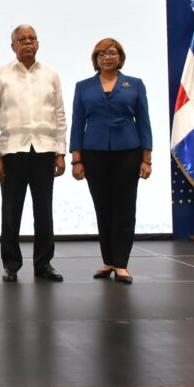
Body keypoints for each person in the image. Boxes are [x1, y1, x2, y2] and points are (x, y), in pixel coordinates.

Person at [0, 24, 67, 283]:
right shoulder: (1, 75)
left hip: (44, 149)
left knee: (44, 210)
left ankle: (43, 263)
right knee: (11, 211)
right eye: (22, 39)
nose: (28, 42)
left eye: (32, 38)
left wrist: (61, 152)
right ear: (13, 46)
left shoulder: (51, 74)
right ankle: (11, 264)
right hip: (12, 151)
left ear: (38, 43)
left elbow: (60, 115)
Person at [69, 37, 152, 285]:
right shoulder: (83, 87)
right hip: (94, 154)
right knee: (103, 208)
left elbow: (144, 122)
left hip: (128, 153)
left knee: (125, 209)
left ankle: (122, 264)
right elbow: (77, 124)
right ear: (95, 59)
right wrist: (76, 159)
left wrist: (146, 158)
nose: (107, 57)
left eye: (112, 53)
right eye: (102, 54)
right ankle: (107, 261)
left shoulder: (134, 84)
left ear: (120, 57)